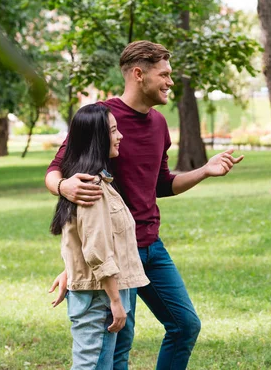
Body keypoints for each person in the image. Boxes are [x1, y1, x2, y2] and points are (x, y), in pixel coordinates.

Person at [45, 40, 244, 370]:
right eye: (164, 74)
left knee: (185, 325)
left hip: (152, 246)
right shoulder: (102, 118)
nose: (170, 82)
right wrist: (64, 186)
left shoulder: (158, 124)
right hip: (118, 250)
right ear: (139, 74)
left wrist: (205, 171)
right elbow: (56, 168)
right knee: (119, 343)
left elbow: (162, 184)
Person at [50, 104, 150, 369]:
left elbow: (86, 240)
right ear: (98, 139)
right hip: (101, 297)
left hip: (103, 293)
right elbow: (96, 250)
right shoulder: (90, 189)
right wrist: (115, 302)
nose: (120, 137)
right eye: (114, 131)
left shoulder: (97, 183)